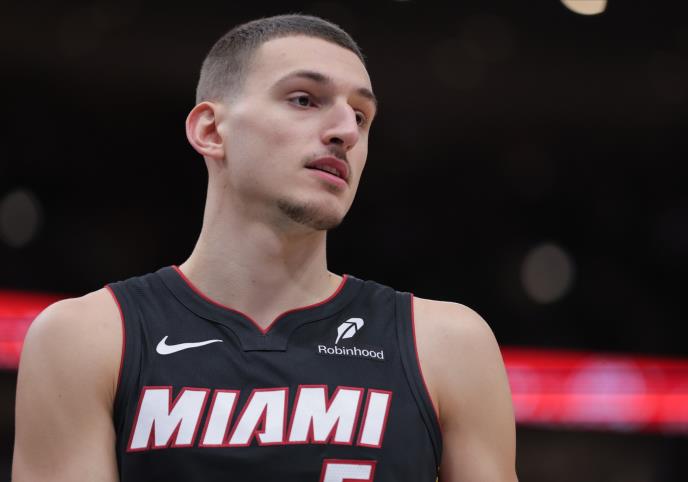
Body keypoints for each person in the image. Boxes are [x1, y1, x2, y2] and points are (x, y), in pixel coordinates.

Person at [13, 14, 518, 482]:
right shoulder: (85, 339)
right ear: (211, 130)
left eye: (361, 116)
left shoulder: (449, 345)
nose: (346, 131)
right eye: (304, 99)